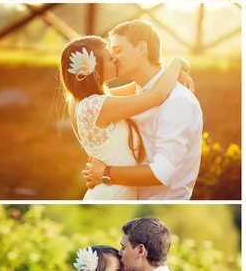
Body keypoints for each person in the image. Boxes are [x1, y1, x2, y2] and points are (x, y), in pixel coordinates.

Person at [83, 20, 203, 200]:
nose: (113, 58)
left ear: (141, 48)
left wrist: (106, 172)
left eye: (118, 50)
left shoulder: (178, 102)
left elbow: (162, 173)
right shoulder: (137, 93)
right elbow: (90, 102)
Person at [59, 35, 189, 199]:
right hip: (112, 193)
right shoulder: (96, 106)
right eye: (109, 57)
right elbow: (156, 95)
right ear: (94, 67)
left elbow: (140, 86)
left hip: (111, 191)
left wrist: (170, 74)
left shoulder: (80, 101)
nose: (114, 58)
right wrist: (176, 63)